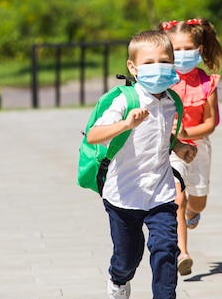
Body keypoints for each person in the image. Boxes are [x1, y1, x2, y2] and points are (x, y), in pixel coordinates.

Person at [86, 30, 197, 299]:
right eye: (149, 63)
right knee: (128, 258)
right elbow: (93, 135)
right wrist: (126, 123)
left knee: (165, 250)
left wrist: (179, 147)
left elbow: (160, 136)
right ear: (133, 67)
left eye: (164, 61)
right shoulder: (124, 99)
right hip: (123, 196)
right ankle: (117, 280)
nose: (157, 68)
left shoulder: (172, 101)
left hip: (161, 194)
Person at [159, 18, 222, 276]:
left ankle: (193, 215)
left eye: (188, 48)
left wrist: (186, 132)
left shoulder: (208, 83)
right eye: (176, 49)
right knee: (178, 199)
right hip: (170, 148)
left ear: (199, 49)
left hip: (198, 147)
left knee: (197, 203)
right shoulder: (162, 81)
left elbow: (210, 124)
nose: (182, 55)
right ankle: (182, 253)